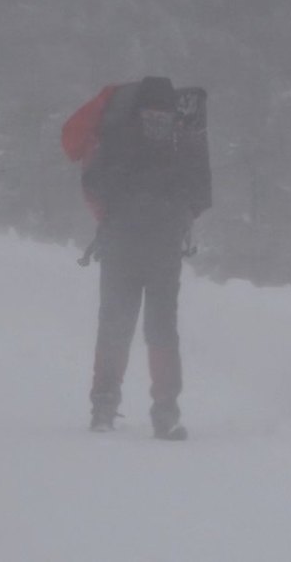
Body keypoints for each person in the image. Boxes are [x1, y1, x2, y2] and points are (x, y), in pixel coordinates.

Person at [77, 76, 211, 440]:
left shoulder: (118, 137)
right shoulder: (182, 140)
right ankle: (165, 411)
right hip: (164, 248)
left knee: (114, 327)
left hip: (120, 244)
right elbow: (199, 195)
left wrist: (110, 218)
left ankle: (103, 407)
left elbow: (94, 184)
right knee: (162, 329)